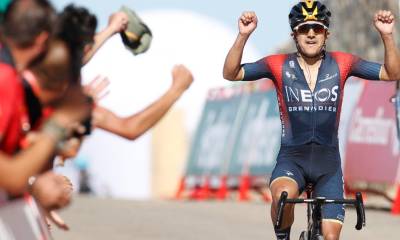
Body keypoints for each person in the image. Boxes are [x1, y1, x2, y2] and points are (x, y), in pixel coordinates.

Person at [223, 1, 400, 239]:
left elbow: (392, 73)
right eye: (303, 29)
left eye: (316, 28)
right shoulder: (277, 64)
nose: (310, 34)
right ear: (294, 34)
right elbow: (231, 73)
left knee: (330, 235)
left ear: (326, 33)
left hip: (328, 164)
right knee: (283, 198)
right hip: (292, 159)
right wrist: (243, 36)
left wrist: (386, 36)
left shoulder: (343, 63)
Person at [0, 0, 91, 219]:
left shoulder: (11, 78)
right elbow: (11, 177)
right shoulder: (5, 79)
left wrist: (34, 182)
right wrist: (60, 121)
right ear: (42, 39)